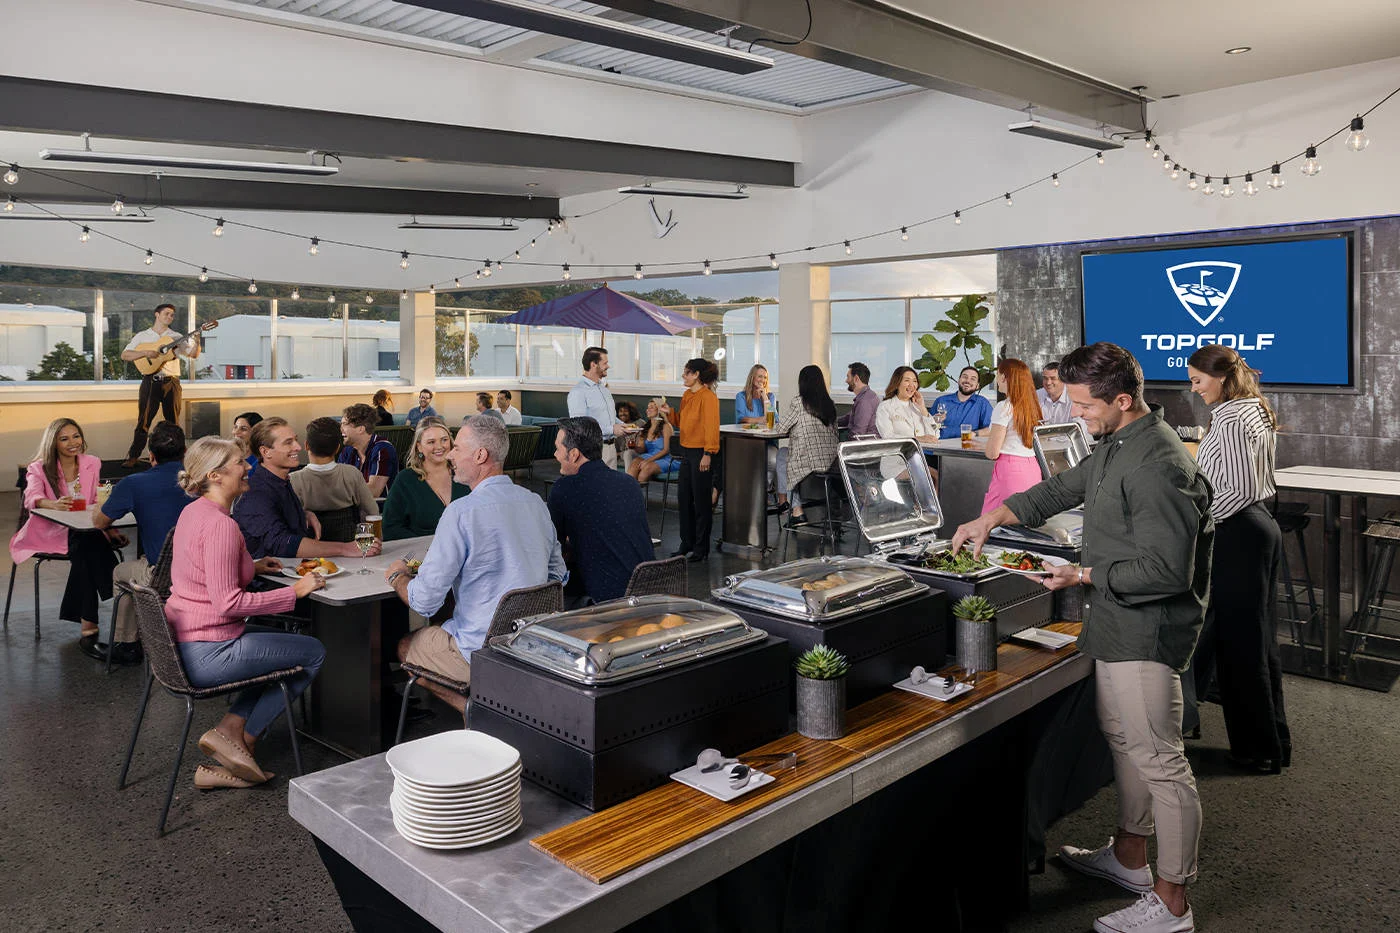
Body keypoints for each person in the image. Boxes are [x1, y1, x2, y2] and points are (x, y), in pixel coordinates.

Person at [951, 342, 1211, 933]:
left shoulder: (1159, 464)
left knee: (1160, 762)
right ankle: (1129, 856)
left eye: (1084, 406)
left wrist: (1082, 574)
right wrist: (991, 517)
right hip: (1113, 624)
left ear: (1123, 399)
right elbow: (1060, 490)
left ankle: (1172, 905)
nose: (1075, 416)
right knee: (1124, 742)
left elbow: (1168, 572)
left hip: (1146, 631)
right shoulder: (1117, 441)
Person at [164, 437, 326, 789]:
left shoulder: (194, 512)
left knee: (279, 652)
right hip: (210, 651)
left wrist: (251, 566)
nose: (248, 466)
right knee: (312, 652)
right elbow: (228, 604)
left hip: (184, 643)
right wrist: (293, 592)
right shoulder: (223, 526)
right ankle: (243, 745)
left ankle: (230, 729)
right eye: (240, 461)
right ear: (216, 475)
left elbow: (204, 571)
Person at [383, 415, 566, 715]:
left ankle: (474, 710)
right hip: (532, 643)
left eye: (456, 447)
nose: (450, 454)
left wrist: (397, 577)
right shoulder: (535, 502)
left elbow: (425, 601)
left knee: (406, 646)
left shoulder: (461, 512)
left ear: (480, 455)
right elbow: (557, 575)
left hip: (480, 650)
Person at [1184, 344, 1290, 773]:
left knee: (1240, 647)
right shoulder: (1254, 407)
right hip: (1261, 527)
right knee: (1259, 643)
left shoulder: (1228, 417)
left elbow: (1240, 489)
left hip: (1240, 531)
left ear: (1222, 377)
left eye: (1198, 381)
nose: (1194, 389)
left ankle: (1257, 751)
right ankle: (1272, 744)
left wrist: (1200, 522)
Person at [10, 418, 125, 661]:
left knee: (86, 548)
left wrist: (111, 531)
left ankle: (89, 626)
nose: (73, 443)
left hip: (87, 529)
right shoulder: (38, 468)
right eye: (64, 438)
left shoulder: (92, 463)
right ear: (54, 443)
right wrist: (53, 504)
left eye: (76, 436)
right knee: (89, 546)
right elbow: (31, 497)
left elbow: (96, 501)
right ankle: (121, 596)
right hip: (51, 530)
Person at [94, 421, 192, 666]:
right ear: (185, 453)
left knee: (120, 572)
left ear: (150, 456)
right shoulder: (199, 481)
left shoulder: (134, 483)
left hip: (161, 575)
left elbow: (99, 521)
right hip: (200, 571)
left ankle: (127, 644)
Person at [234, 417, 380, 561]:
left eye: (296, 440)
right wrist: (344, 548)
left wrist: (302, 513)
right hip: (272, 580)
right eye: (288, 443)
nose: (297, 447)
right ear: (266, 452)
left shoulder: (282, 481)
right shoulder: (255, 492)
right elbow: (283, 543)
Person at [548, 417, 654, 606]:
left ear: (573, 454)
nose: (555, 455)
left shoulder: (564, 488)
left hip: (607, 604)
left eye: (558, 448)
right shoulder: (629, 483)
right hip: (649, 593)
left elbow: (553, 549)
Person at [121, 303, 201, 465]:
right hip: (150, 380)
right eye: (167, 314)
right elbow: (125, 355)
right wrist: (145, 352)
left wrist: (197, 341)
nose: (170, 317)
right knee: (143, 421)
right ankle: (133, 456)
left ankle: (178, 456)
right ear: (156, 315)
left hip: (171, 381)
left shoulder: (176, 336)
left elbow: (193, 354)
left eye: (172, 315)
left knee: (173, 422)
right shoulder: (143, 336)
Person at [662, 358, 720, 562]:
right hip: (686, 452)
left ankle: (701, 548)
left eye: (686, 373)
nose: (683, 376)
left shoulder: (709, 398)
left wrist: (708, 453)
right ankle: (686, 542)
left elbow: (711, 427)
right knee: (684, 499)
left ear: (696, 375)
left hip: (701, 453)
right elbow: (681, 422)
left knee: (702, 502)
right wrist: (669, 414)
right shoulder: (687, 395)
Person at [382, 417, 469, 540]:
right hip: (422, 554)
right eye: (431, 442)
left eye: (444, 440)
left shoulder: (465, 474)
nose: (439, 447)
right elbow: (390, 528)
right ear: (419, 447)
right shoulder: (405, 480)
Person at [776, 365, 840, 526]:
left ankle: (796, 509)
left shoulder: (799, 403)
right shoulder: (829, 404)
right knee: (788, 457)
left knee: (782, 455)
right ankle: (792, 505)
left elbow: (781, 428)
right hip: (831, 464)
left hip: (810, 465)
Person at [289, 417, 378, 528]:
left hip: (312, 542)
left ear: (306, 446)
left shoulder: (293, 480)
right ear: (337, 448)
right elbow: (371, 511)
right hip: (349, 542)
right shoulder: (352, 474)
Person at [981, 358, 1044, 514]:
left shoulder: (1004, 406)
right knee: (1023, 525)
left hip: (1009, 471)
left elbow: (992, 453)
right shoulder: (1032, 407)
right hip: (1032, 470)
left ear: (1004, 377)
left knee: (991, 523)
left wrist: (986, 446)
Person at [735, 363, 787, 508]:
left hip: (767, 444)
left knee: (772, 459)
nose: (762, 380)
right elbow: (742, 418)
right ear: (752, 377)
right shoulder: (741, 396)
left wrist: (764, 396)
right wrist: (760, 420)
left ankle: (764, 491)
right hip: (747, 443)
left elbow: (773, 420)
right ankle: (755, 493)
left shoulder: (770, 396)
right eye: (759, 376)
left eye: (765, 377)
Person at [567, 346, 625, 468]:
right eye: (605, 363)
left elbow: (611, 418)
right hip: (592, 450)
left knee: (610, 487)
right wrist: (612, 429)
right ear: (594, 364)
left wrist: (624, 426)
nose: (608, 366)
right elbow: (581, 427)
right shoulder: (578, 392)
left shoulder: (604, 390)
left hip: (611, 449)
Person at [338, 403, 399, 497]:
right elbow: (339, 483)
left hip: (379, 509)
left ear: (360, 429)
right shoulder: (347, 451)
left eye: (344, 424)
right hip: (353, 507)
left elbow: (373, 491)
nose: (341, 429)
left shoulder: (382, 449)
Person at [875, 366, 939, 443]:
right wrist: (918, 439)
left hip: (922, 454)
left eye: (915, 381)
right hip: (897, 455)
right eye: (907, 380)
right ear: (897, 383)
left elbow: (936, 434)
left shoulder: (917, 407)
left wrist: (923, 409)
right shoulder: (885, 407)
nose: (912, 385)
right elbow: (888, 436)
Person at [931, 366, 993, 439]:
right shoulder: (941, 401)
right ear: (959, 380)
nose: (968, 381)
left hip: (968, 447)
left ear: (977, 386)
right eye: (965, 377)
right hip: (939, 447)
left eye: (973, 379)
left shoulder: (982, 403)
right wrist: (934, 421)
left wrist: (973, 434)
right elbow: (928, 427)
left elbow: (991, 429)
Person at [628, 398, 677, 486]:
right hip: (650, 455)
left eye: (652, 407)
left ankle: (640, 497)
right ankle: (631, 494)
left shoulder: (666, 426)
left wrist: (648, 461)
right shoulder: (645, 427)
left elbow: (666, 450)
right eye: (648, 407)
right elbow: (642, 450)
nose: (648, 409)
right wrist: (635, 447)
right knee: (634, 464)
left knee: (646, 469)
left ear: (659, 410)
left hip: (666, 458)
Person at [838, 362, 879, 438]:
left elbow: (858, 434)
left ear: (856, 378)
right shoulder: (867, 396)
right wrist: (829, 421)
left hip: (864, 447)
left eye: (848, 377)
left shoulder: (865, 401)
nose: (846, 381)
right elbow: (848, 418)